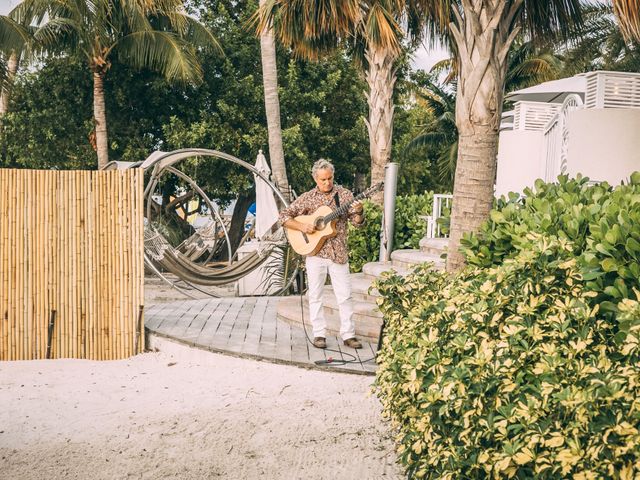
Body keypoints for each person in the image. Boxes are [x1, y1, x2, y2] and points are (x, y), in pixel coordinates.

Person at [279, 159, 365, 349]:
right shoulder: (308, 197)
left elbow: (357, 223)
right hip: (315, 253)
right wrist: (303, 226)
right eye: (323, 180)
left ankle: (348, 334)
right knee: (315, 295)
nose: (327, 183)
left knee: (344, 296)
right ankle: (319, 334)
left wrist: (359, 212)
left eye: (330, 178)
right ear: (315, 179)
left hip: (338, 253)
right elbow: (284, 216)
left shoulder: (344, 195)